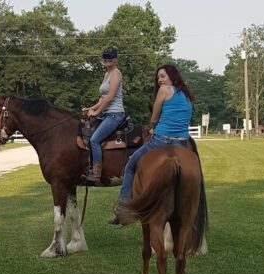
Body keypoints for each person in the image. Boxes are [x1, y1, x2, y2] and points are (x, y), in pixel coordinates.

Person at [108, 64, 195, 224]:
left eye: (163, 76)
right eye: (158, 77)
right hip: (182, 143)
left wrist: (152, 129)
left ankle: (123, 207)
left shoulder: (164, 91)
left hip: (161, 139)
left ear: (172, 76)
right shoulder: (187, 94)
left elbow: (154, 118)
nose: (160, 80)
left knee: (130, 165)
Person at [82, 46, 125, 183]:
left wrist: (96, 112)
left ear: (115, 59)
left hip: (115, 114)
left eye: (110, 57)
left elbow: (111, 97)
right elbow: (102, 98)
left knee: (94, 140)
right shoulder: (106, 74)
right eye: (105, 57)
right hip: (106, 114)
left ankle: (96, 174)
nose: (107, 60)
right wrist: (90, 108)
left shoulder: (116, 74)